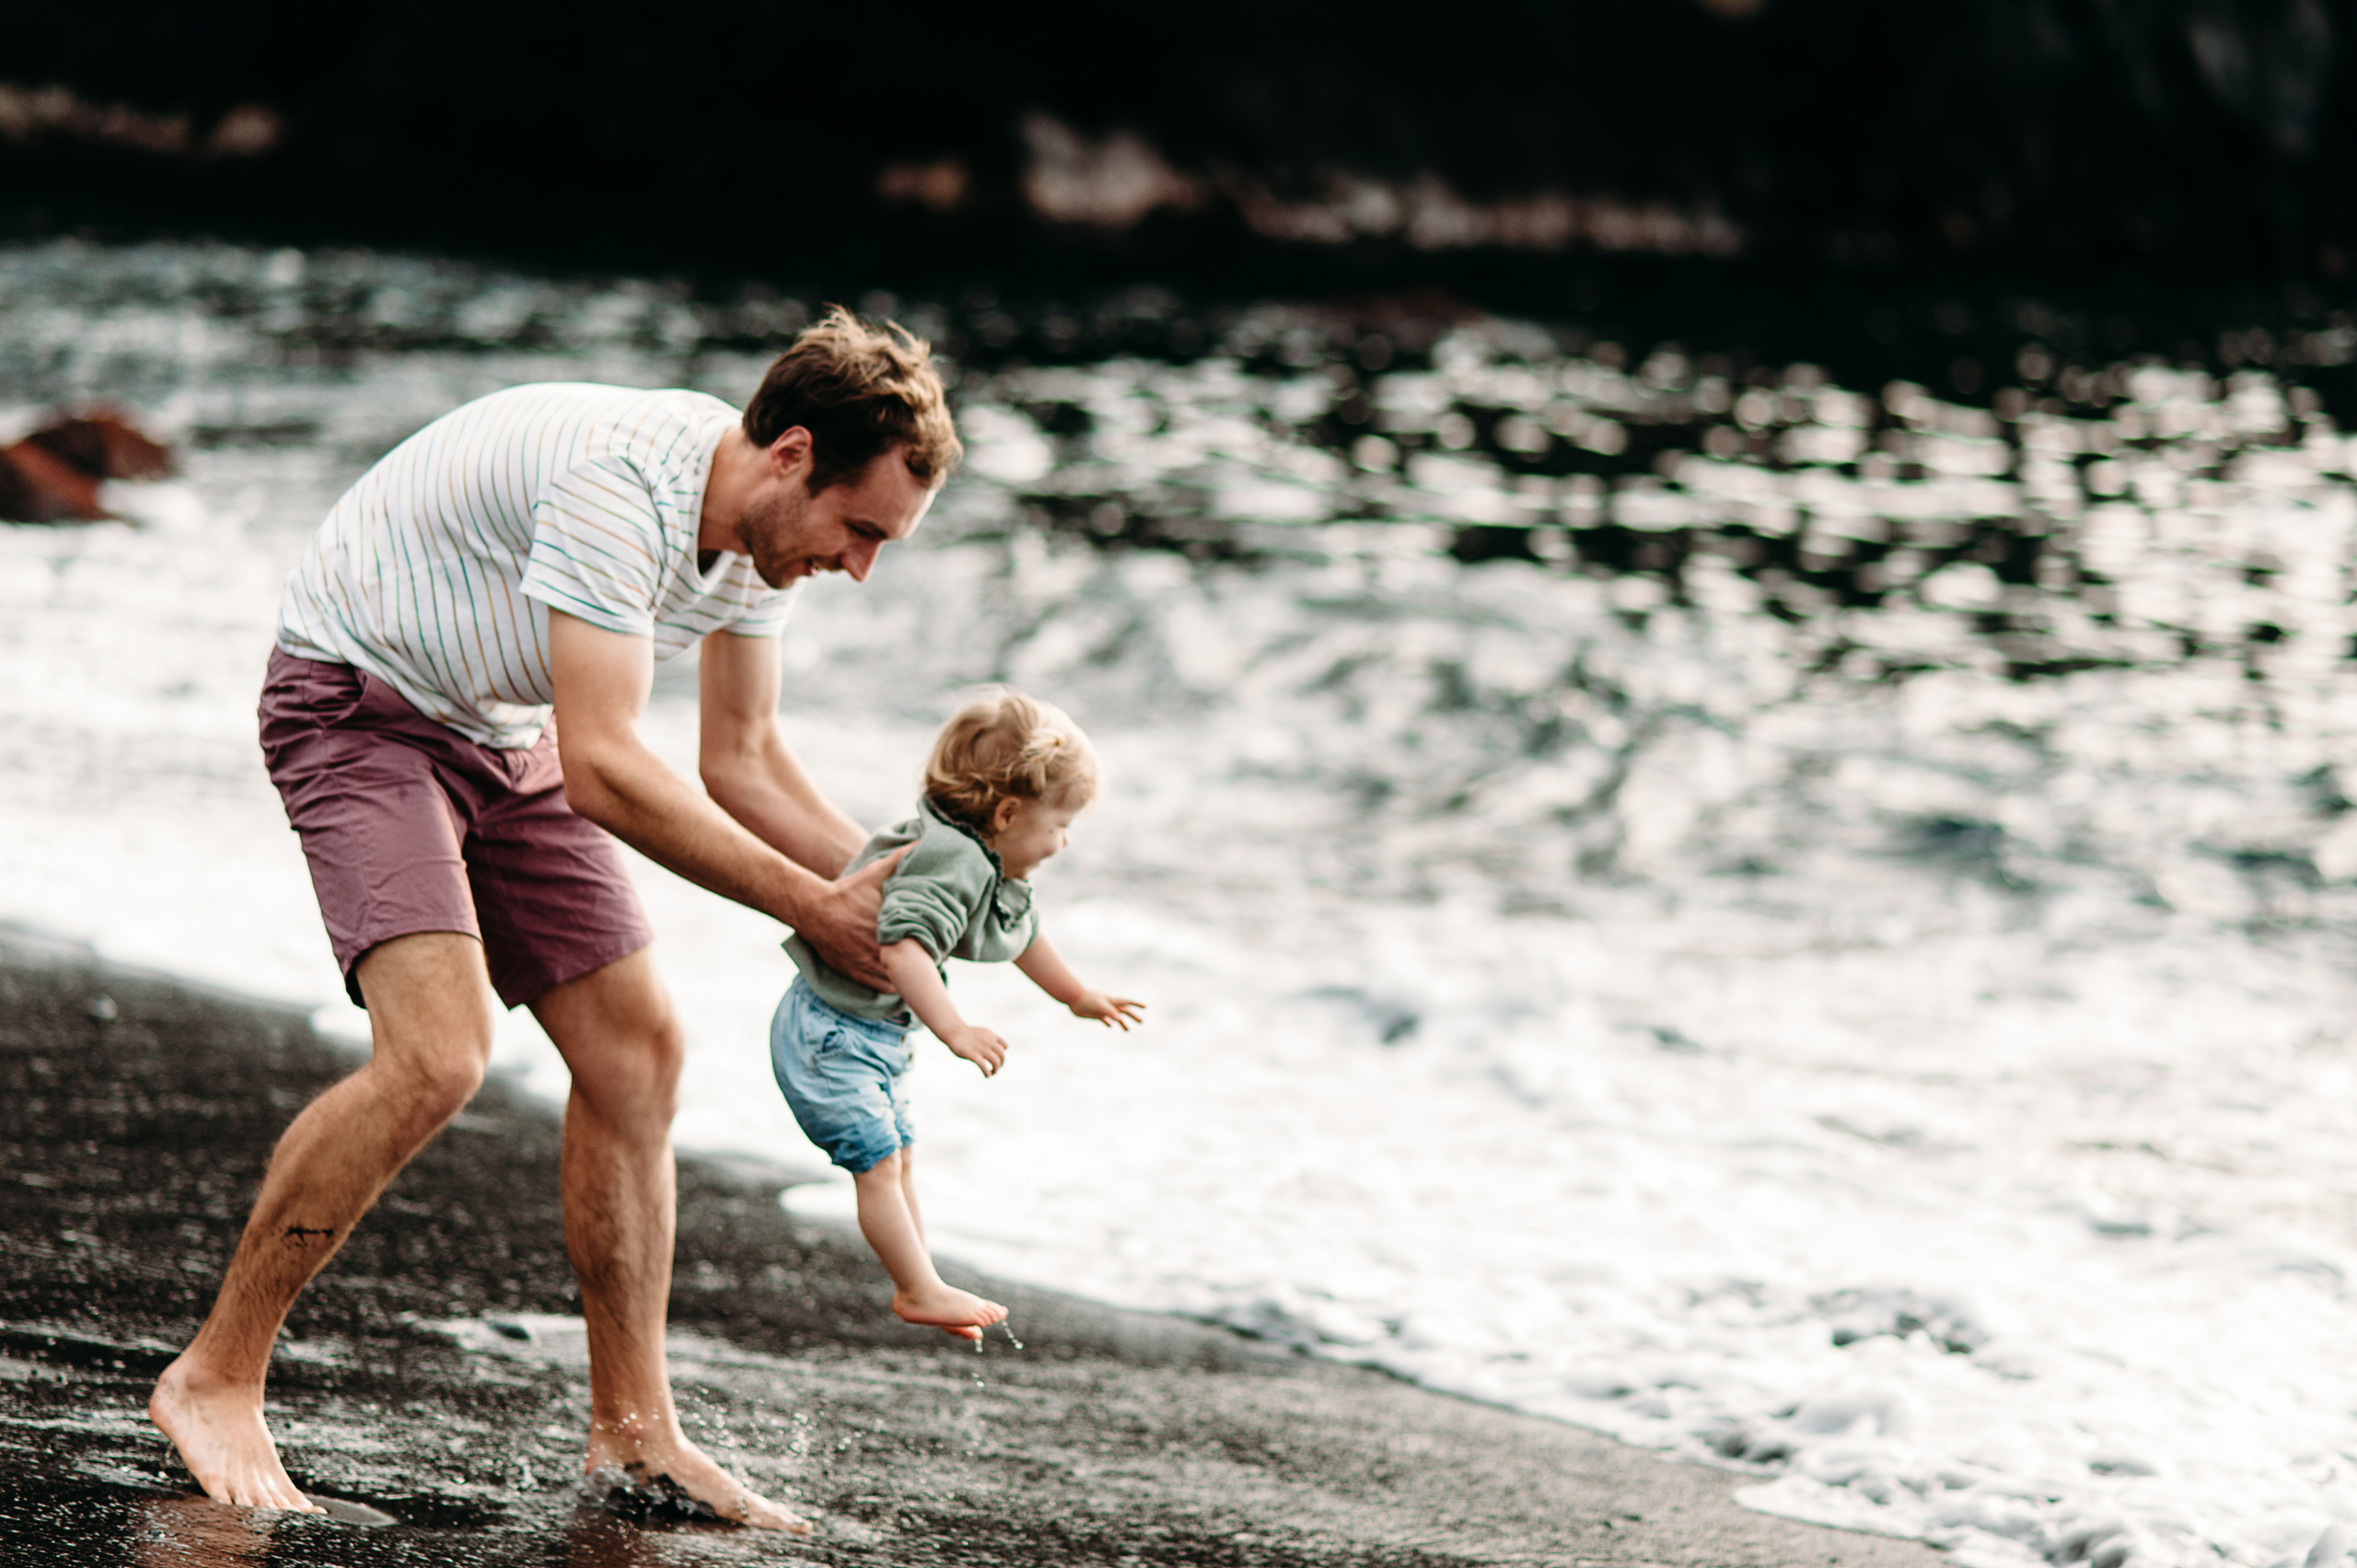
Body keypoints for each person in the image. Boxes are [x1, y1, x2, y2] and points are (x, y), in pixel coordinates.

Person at [147, 308, 961, 1531]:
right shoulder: (621, 488)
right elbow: (608, 771)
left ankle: (635, 1432)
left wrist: (892, 891)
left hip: (497, 730)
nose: (860, 566)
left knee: (638, 1049)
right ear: (792, 454)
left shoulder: (759, 538)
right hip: (358, 702)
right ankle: (213, 1375)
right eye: (860, 531)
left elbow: (741, 758)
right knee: (437, 1054)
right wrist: (815, 909)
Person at [771, 690, 1144, 1341]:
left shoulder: (974, 852)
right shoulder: (951, 860)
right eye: (1060, 825)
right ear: (1006, 812)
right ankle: (918, 1288)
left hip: (864, 1033)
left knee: (898, 1158)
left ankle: (922, 1280)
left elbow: (1021, 930)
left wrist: (1075, 994)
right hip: (832, 1035)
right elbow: (903, 945)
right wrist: (955, 1028)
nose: (1062, 842)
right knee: (879, 1163)